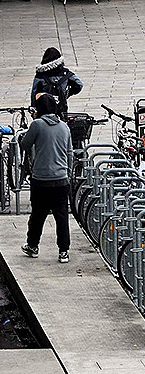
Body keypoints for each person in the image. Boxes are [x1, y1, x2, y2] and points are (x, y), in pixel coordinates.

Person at [19, 94, 72, 264]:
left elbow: (25, 144)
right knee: (62, 216)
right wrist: (67, 173)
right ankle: (64, 251)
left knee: (38, 215)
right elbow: (69, 153)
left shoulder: (37, 125)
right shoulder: (64, 127)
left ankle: (33, 246)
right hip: (61, 179)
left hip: (41, 179)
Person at [30, 47, 84, 116]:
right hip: (61, 108)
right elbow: (79, 84)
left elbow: (34, 92)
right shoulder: (66, 73)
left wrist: (33, 107)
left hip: (43, 109)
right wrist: (66, 94)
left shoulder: (40, 75)